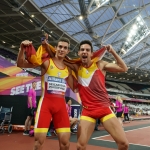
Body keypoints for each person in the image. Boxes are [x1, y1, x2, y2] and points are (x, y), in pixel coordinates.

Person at [56, 40, 129, 150]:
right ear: (79, 53)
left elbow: (124, 68)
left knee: (124, 144)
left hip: (104, 108)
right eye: (82, 50)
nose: (84, 52)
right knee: (80, 146)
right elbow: (59, 58)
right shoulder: (76, 67)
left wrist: (112, 51)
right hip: (88, 111)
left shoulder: (100, 64)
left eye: (87, 50)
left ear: (91, 53)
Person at [17, 37, 75, 150]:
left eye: (65, 48)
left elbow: (76, 88)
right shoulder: (46, 62)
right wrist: (21, 49)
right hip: (46, 106)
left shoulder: (69, 69)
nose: (62, 49)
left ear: (68, 51)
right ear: (56, 48)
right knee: (39, 142)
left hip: (61, 108)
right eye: (60, 47)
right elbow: (21, 64)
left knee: (65, 143)